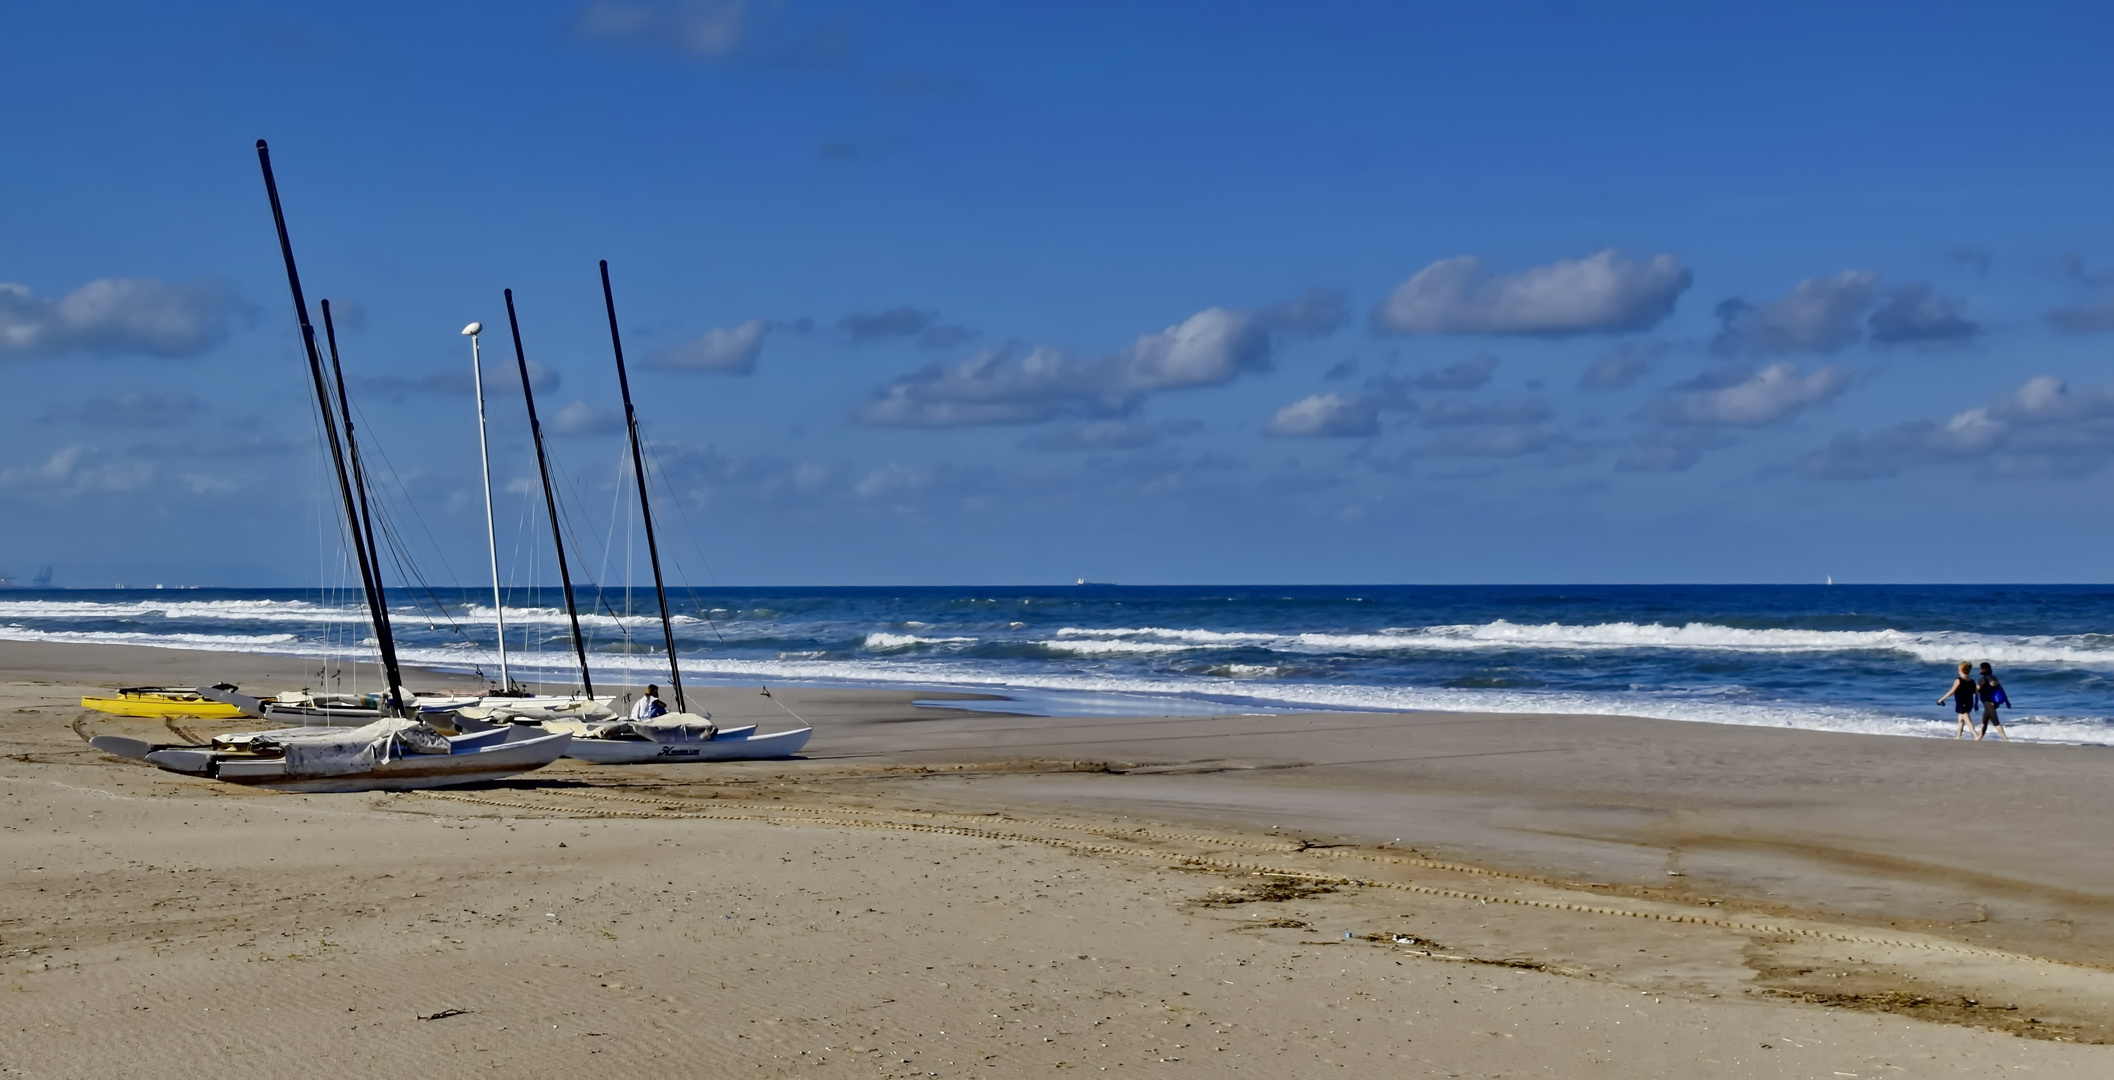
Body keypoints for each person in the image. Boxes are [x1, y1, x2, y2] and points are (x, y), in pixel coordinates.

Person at [1938, 662, 1978, 738]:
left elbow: (1952, 691)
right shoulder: (1972, 681)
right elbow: (1976, 693)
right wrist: (1976, 704)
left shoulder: (1959, 680)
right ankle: (1958, 736)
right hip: (1969, 702)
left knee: (1966, 718)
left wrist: (1941, 699)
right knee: (1960, 719)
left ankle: (1976, 735)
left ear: (1961, 670)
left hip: (1962, 702)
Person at [1975, 662, 2011, 742]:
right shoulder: (1993, 678)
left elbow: (1976, 691)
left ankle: (2005, 739)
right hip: (1995, 703)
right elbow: (2001, 689)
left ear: (1983, 669)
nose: (1979, 669)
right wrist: (2006, 701)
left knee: (1995, 722)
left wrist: (1976, 703)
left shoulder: (1982, 679)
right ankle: (1979, 737)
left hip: (1988, 703)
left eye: (1980, 668)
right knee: (1984, 720)